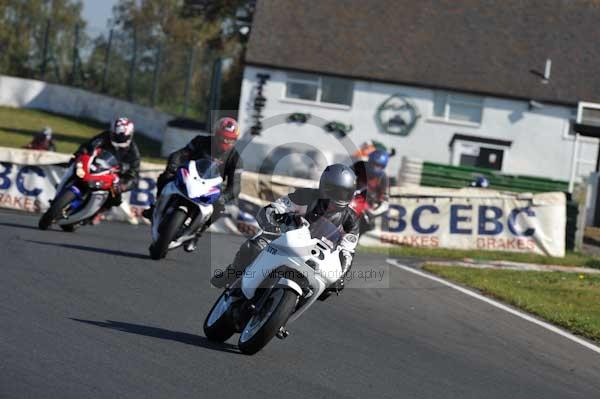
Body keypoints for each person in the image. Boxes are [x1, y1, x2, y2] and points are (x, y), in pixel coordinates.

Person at [211, 164, 360, 298]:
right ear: (324, 186)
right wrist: (273, 228)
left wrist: (341, 277)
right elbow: (271, 210)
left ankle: (283, 315)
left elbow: (347, 253)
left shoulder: (351, 220)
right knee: (254, 246)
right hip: (286, 240)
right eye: (335, 191)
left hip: (316, 258)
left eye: (345, 193)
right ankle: (232, 273)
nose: (339, 198)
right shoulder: (305, 196)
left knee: (327, 289)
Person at [142, 117, 242, 252]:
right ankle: (155, 206)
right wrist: (173, 165)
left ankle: (197, 235)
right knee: (165, 177)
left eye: (229, 139)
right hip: (189, 176)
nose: (225, 142)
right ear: (216, 133)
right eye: (223, 137)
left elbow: (235, 185)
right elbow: (181, 154)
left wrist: (225, 196)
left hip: (210, 188)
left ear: (235, 140)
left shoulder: (235, 158)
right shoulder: (200, 141)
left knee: (219, 206)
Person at [73, 117, 140, 221]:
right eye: (115, 135)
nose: (118, 139)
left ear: (130, 135)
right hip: (93, 166)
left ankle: (100, 211)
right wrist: (80, 153)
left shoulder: (133, 151)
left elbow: (134, 175)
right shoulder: (104, 136)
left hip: (110, 176)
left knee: (115, 196)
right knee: (75, 166)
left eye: (121, 137)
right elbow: (88, 146)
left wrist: (124, 185)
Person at [351, 149, 390, 234]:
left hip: (365, 208)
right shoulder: (359, 166)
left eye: (378, 166)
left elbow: (384, 201)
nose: (375, 167)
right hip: (348, 198)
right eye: (373, 164)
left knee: (367, 223)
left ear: (383, 167)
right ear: (369, 161)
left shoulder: (383, 178)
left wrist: (372, 212)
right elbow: (345, 176)